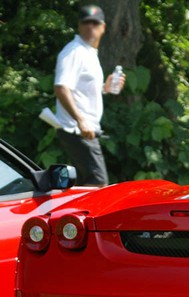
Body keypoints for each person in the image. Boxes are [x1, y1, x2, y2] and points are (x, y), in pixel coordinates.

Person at [53, 5, 125, 186]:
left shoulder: (88, 53)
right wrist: (81, 120)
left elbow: (80, 87)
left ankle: (69, 214)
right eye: (86, 23)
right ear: (79, 25)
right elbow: (61, 87)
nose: (90, 27)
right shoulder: (74, 51)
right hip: (76, 129)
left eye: (95, 23)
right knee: (98, 183)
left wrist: (104, 88)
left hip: (82, 129)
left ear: (103, 27)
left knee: (85, 184)